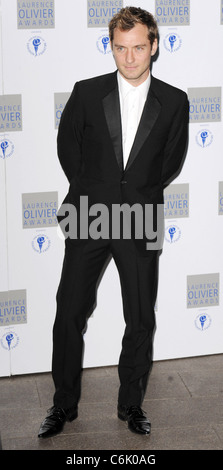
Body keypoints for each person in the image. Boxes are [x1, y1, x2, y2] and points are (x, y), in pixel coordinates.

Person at [38, 7, 188, 438]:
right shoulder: (86, 92)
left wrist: (134, 196)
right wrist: (95, 193)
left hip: (140, 217)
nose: (130, 58)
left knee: (140, 318)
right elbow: (69, 149)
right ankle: (62, 405)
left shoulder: (175, 100)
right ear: (112, 47)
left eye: (139, 47)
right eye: (121, 48)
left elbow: (170, 162)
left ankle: (131, 406)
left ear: (153, 46)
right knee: (69, 313)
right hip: (89, 215)